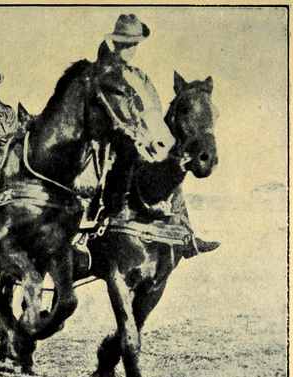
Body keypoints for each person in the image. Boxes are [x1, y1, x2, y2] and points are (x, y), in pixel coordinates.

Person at [84, 14, 219, 257]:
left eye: (134, 44)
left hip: (143, 133)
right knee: (126, 153)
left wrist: (158, 135)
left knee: (174, 164)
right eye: (125, 43)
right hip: (115, 131)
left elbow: (153, 108)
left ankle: (186, 230)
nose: (130, 49)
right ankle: (109, 213)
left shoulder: (140, 76)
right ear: (115, 43)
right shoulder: (105, 71)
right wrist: (131, 130)